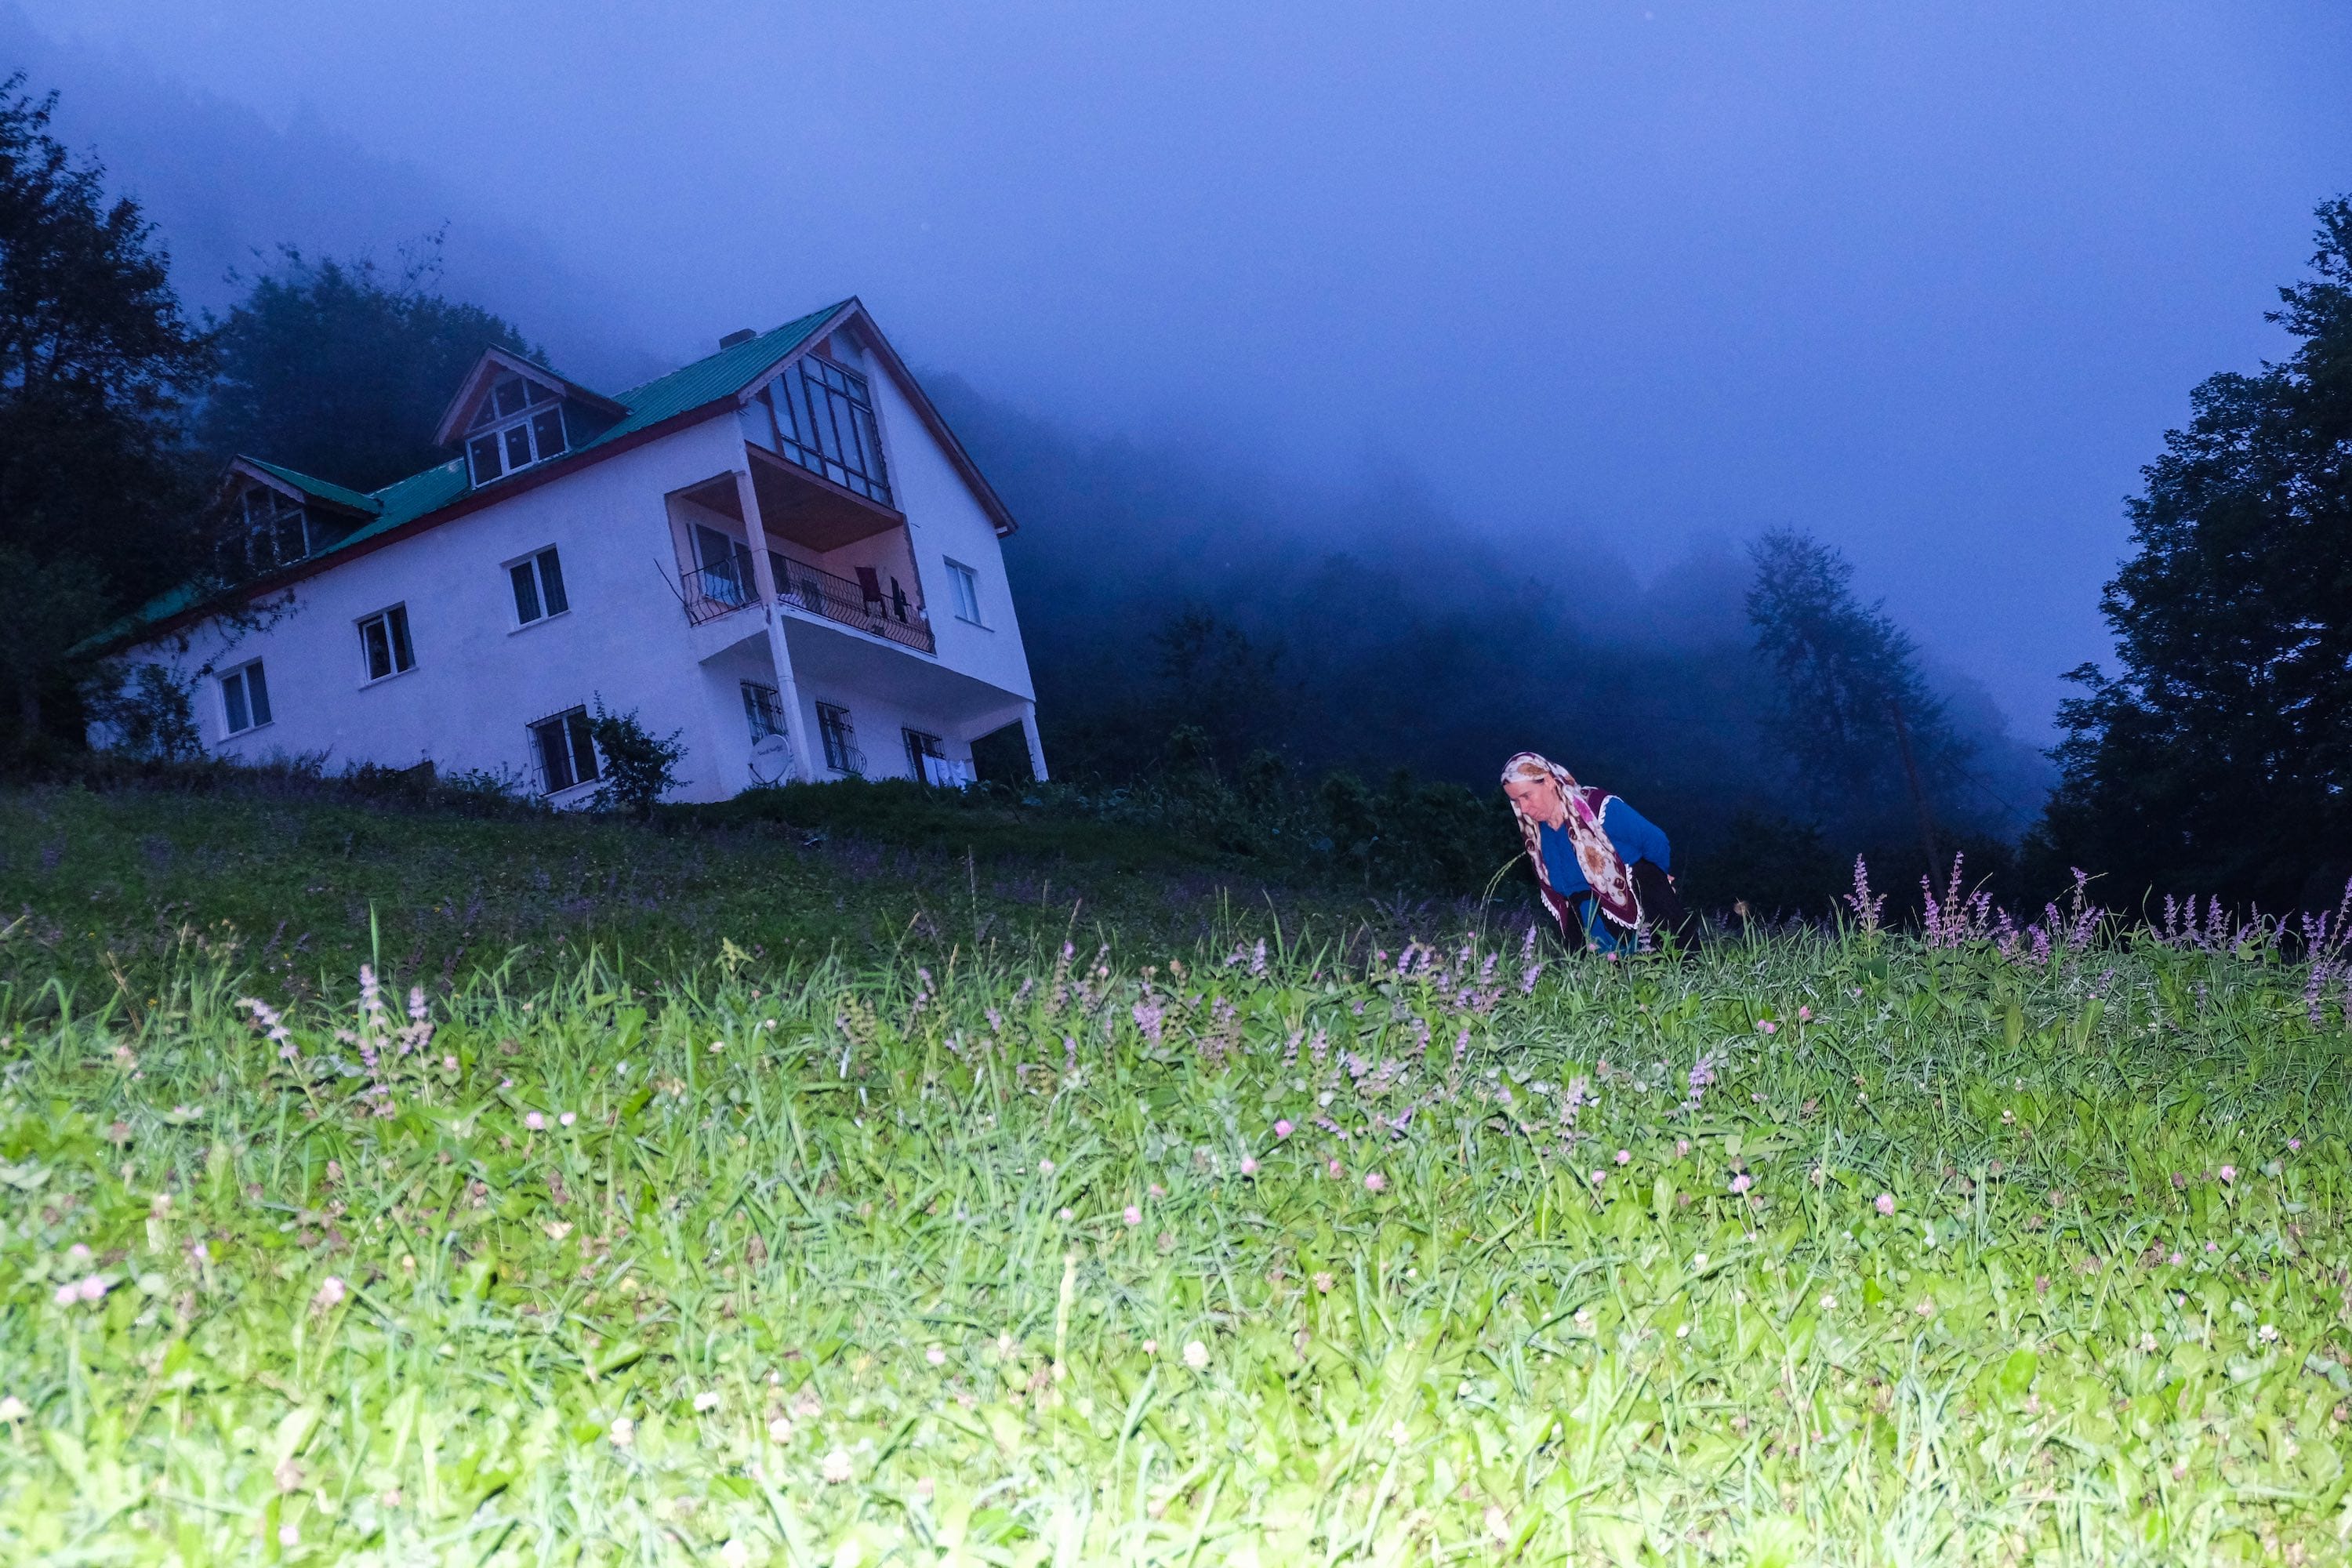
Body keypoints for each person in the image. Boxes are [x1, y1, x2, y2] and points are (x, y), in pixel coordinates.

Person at [1501, 750, 1686, 953]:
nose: (1524, 808)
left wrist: (1660, 880)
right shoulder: (1538, 834)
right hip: (1591, 927)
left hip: (1641, 912)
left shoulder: (1597, 808)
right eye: (1516, 802)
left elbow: (1655, 841)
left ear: (1548, 781)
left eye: (1526, 796)